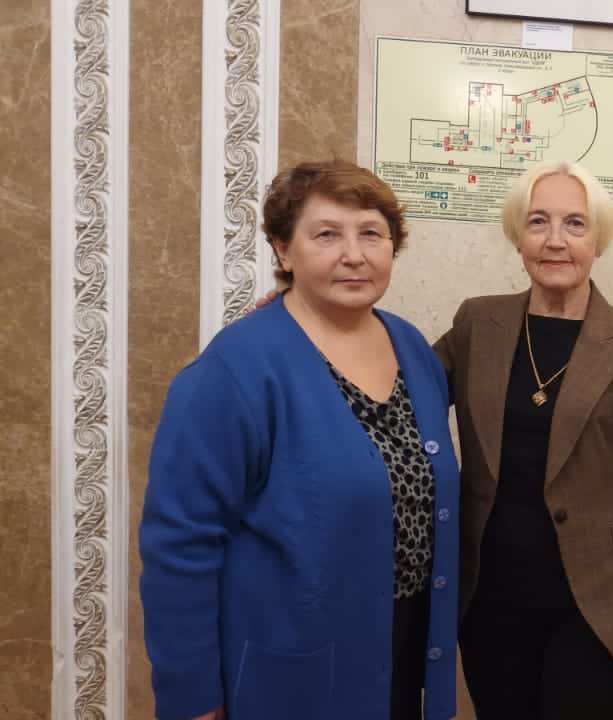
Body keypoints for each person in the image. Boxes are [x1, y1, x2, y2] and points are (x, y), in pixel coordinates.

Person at [140, 160, 460, 720]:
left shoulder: (411, 347)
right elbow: (180, 543)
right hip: (294, 670)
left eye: (371, 234)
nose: (354, 254)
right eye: (327, 234)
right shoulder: (236, 368)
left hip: (404, 650)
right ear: (283, 250)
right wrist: (191, 695)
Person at [435, 160, 613, 719]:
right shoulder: (479, 323)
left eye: (574, 224)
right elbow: (401, 384)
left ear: (597, 239)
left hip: (597, 601)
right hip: (492, 595)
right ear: (517, 236)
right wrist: (314, 327)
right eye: (538, 222)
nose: (555, 240)